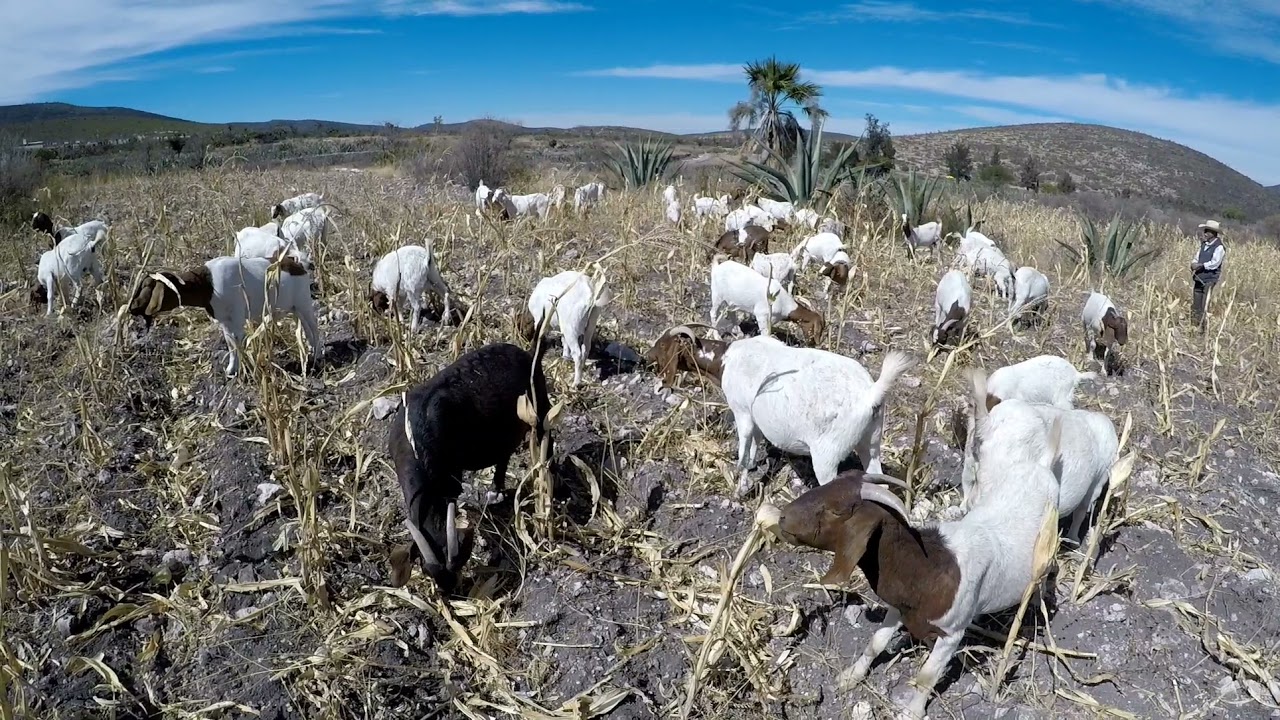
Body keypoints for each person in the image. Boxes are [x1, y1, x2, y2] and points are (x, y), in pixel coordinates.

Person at [1190, 219, 1225, 330]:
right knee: (1196, 304)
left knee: (1204, 304)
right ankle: (1195, 325)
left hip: (1209, 279)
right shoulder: (1203, 245)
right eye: (1205, 231)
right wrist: (1193, 264)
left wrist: (1200, 265)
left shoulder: (1219, 247)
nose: (1205, 233)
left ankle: (1203, 328)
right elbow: (1196, 257)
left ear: (1213, 233)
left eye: (1207, 231)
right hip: (1199, 277)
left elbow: (1215, 263)